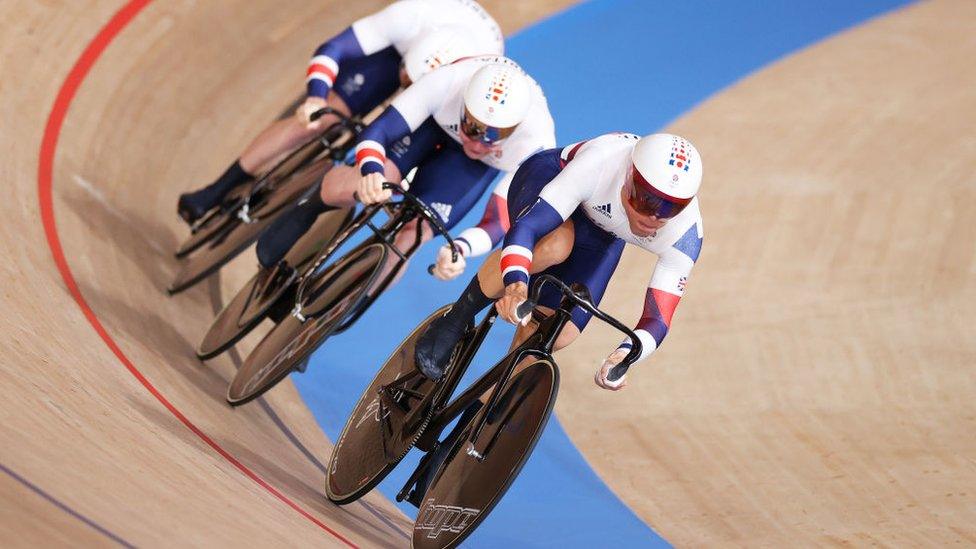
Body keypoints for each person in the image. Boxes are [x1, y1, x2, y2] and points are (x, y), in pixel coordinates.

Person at [414, 132, 704, 390]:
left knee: (556, 334)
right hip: (548, 179)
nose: (655, 217)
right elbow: (528, 228)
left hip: (602, 232)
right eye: (648, 202)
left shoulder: (685, 233)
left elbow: (658, 318)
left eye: (671, 208)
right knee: (555, 247)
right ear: (629, 177)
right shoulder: (602, 163)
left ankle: (475, 420)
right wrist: (516, 284)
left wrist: (626, 354)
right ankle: (456, 318)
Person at [177, 0, 504, 225]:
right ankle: (219, 187)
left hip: (447, 96)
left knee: (397, 153)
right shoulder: (410, 17)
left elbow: (444, 144)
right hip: (400, 52)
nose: (407, 91)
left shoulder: (469, 85)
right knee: (326, 116)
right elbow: (332, 49)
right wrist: (316, 99)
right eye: (406, 82)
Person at [251, 54, 556, 292]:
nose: (477, 143)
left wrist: (461, 250)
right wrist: (370, 171)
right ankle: (309, 206)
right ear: (463, 107)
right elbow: (377, 133)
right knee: (374, 181)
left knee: (415, 235)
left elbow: (500, 220)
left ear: (515, 131)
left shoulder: (537, 143)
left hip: (476, 169)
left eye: (492, 137)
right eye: (473, 128)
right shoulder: (448, 82)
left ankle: (329, 315)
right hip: (431, 125)